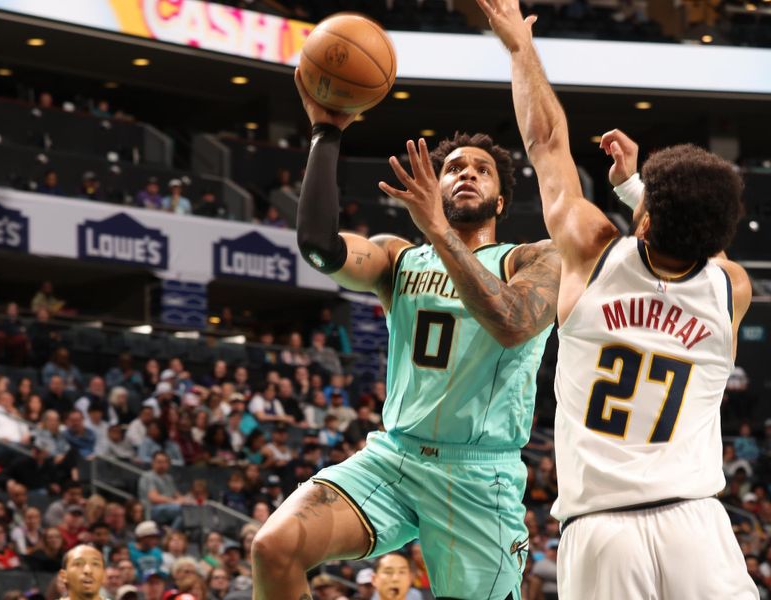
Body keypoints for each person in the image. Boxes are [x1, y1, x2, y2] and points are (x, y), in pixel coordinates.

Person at [478, 0, 756, 596]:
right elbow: (710, 247)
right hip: (698, 525)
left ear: (646, 223)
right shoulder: (731, 290)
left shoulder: (592, 252)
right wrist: (638, 191)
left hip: (602, 531)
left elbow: (547, 142)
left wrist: (520, 47)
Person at [251, 67, 560, 599]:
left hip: (477, 477)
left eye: (481, 170)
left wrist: (439, 231)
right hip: (393, 457)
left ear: (502, 200)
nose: (466, 174)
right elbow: (320, 246)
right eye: (454, 168)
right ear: (433, 188)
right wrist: (327, 133)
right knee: (274, 548)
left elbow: (513, 323)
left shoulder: (532, 259)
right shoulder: (398, 257)